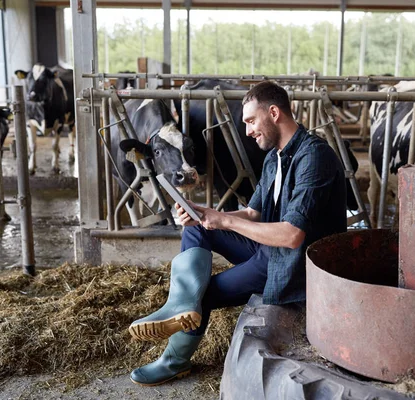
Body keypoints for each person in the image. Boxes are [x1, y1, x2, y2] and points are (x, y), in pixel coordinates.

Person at [127, 80, 348, 386]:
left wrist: (226, 222)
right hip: (270, 250)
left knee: (202, 293)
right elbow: (253, 214)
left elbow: (292, 236)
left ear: (273, 113)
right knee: (196, 230)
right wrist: (206, 214)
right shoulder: (276, 156)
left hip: (293, 264)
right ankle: (180, 303)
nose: (247, 131)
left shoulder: (313, 157)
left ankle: (174, 360)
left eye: (250, 121)